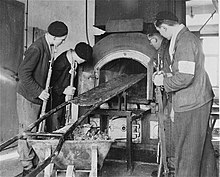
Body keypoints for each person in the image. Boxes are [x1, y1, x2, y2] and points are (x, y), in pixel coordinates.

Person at [152, 11, 217, 177]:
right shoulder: (184, 39)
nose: (161, 36)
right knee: (202, 149)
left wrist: (163, 82)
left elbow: (186, 77)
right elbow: (185, 71)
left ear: (165, 28)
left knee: (187, 151)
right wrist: (168, 75)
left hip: (192, 102)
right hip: (199, 98)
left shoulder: (185, 41)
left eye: (160, 32)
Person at [16, 21, 68, 176]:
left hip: (36, 97)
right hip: (28, 96)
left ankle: (36, 163)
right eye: (62, 39)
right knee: (27, 132)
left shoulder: (48, 47)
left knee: (35, 132)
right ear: (54, 36)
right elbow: (23, 73)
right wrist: (39, 91)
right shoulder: (37, 48)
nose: (62, 42)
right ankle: (27, 167)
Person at [146, 25, 175, 177]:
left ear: (156, 38)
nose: (151, 45)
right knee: (166, 130)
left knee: (169, 130)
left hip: (173, 98)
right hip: (168, 96)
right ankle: (167, 167)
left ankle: (170, 168)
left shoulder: (167, 48)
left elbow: (171, 74)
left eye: (151, 41)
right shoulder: (163, 49)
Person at [46, 42, 93, 132]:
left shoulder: (73, 62)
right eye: (83, 60)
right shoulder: (61, 63)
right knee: (54, 126)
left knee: (61, 124)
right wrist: (64, 90)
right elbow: (51, 83)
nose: (83, 62)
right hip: (54, 101)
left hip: (62, 100)